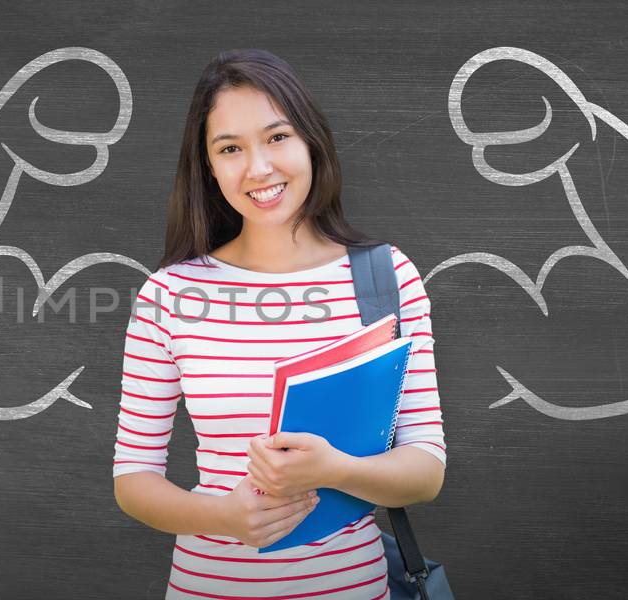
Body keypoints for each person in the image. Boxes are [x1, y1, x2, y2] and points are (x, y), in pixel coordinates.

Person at [111, 49, 447, 598]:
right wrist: (223, 517)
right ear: (209, 166)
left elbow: (426, 469)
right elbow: (133, 479)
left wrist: (334, 468)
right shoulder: (170, 294)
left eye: (276, 137)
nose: (258, 168)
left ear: (310, 141)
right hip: (207, 587)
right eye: (230, 148)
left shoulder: (386, 276)